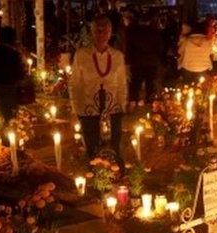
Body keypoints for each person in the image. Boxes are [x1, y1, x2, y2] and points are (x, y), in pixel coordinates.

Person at [69, 15, 128, 160]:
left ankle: (116, 177)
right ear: (92, 32)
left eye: (105, 31)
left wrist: (122, 106)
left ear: (110, 32)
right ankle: (94, 177)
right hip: (89, 109)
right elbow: (75, 84)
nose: (101, 34)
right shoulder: (81, 55)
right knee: (93, 149)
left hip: (113, 109)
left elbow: (122, 84)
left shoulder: (117, 56)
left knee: (113, 149)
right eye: (98, 31)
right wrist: (75, 109)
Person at [125, 12, 163, 106]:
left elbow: (129, 48)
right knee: (150, 82)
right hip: (151, 61)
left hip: (137, 61)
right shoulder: (154, 32)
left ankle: (133, 102)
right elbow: (159, 47)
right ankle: (149, 101)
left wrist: (128, 62)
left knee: (135, 83)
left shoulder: (133, 32)